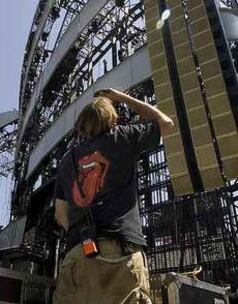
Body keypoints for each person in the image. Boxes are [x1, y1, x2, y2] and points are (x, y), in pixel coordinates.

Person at [53, 88, 174, 304]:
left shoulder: (66, 161)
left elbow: (61, 215)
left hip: (77, 253)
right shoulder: (123, 138)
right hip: (119, 252)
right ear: (112, 118)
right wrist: (120, 97)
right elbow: (166, 123)